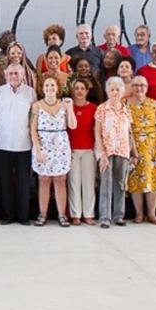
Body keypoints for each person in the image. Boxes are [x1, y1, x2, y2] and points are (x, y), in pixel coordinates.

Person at [0, 64, 37, 225]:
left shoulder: (30, 93)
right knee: (5, 182)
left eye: (17, 73)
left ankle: (24, 216)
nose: (13, 76)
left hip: (24, 144)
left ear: (23, 74)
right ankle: (8, 215)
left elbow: (34, 117)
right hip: (2, 143)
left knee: (24, 183)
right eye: (10, 73)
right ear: (5, 75)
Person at [30, 76, 75, 226]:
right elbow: (32, 129)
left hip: (60, 145)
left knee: (60, 180)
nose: (50, 88)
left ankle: (62, 215)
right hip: (43, 144)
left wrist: (70, 109)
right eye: (47, 85)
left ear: (57, 88)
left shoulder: (64, 104)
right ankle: (42, 214)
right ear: (43, 88)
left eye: (52, 85)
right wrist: (37, 149)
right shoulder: (37, 105)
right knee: (43, 180)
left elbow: (72, 125)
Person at [126, 76, 156, 224]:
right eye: (136, 85)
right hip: (133, 144)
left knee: (153, 178)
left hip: (152, 145)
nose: (139, 88)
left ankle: (152, 213)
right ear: (131, 87)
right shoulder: (125, 103)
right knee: (135, 178)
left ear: (147, 87)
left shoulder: (154, 104)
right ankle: (138, 213)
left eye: (142, 85)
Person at [94, 77, 132, 228]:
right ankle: (104, 217)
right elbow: (97, 132)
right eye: (112, 90)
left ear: (122, 91)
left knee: (121, 184)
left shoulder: (126, 110)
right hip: (107, 151)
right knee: (106, 183)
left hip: (123, 151)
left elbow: (129, 133)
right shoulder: (102, 109)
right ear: (107, 91)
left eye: (118, 89)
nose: (115, 92)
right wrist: (102, 153)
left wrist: (133, 153)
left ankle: (119, 215)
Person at [66, 78, 97, 225]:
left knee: (88, 183)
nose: (79, 91)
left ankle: (89, 214)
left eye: (82, 88)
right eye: (76, 88)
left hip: (88, 151)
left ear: (87, 91)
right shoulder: (67, 107)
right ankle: (76, 214)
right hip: (72, 150)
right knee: (74, 182)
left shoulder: (93, 108)